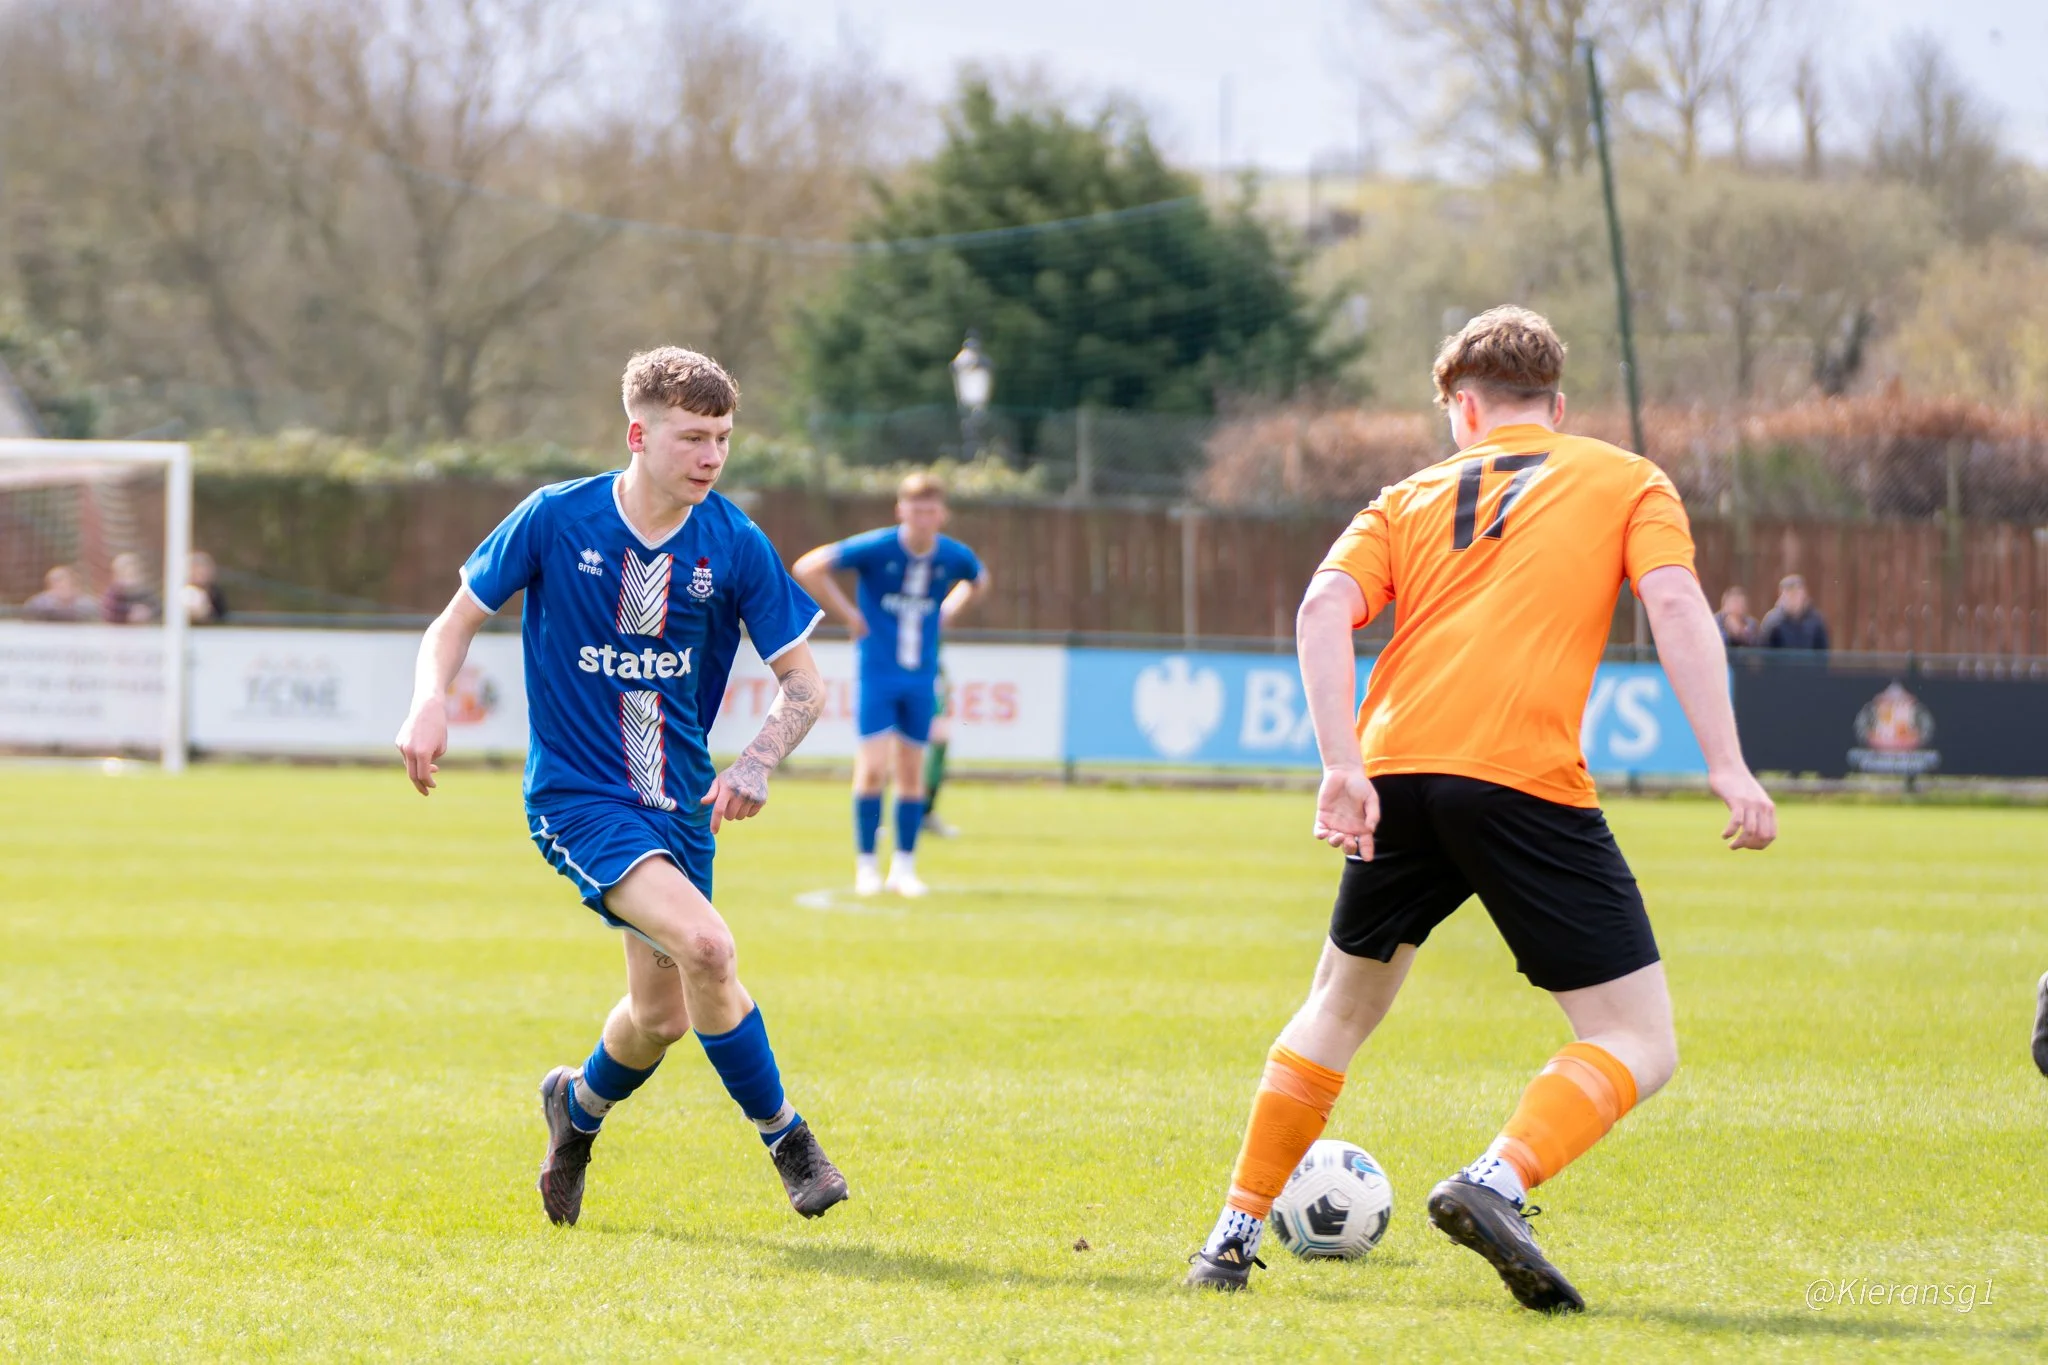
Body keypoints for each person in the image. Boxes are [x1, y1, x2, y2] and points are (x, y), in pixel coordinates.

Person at [1182, 307, 1776, 1312]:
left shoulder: (1403, 495)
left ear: (1462, 408)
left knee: (1338, 1003)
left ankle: (1229, 1237)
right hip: (1519, 776)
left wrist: (1339, 764)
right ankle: (1493, 1182)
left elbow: (1321, 608)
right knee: (1637, 1039)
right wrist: (1727, 764)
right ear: (1556, 405)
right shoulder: (1624, 478)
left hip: (1397, 769)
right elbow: (1673, 606)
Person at [394, 347, 848, 1229]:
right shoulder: (556, 519)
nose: (711, 456)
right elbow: (451, 625)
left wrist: (755, 760)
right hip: (580, 797)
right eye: (692, 437)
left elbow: (806, 685)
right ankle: (787, 1138)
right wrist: (428, 703)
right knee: (712, 948)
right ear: (640, 435)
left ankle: (576, 1107)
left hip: (678, 807)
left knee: (662, 1016)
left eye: (722, 438)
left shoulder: (735, 542)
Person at [792, 473, 986, 898]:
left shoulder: (951, 556)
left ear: (942, 514)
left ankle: (905, 867)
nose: (923, 517)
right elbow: (808, 566)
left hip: (922, 677)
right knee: (874, 769)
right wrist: (849, 616)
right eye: (915, 509)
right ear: (901, 510)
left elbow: (979, 578)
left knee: (913, 772)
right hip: (878, 673)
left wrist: (949, 610)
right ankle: (866, 866)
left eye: (931, 509)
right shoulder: (878, 548)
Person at [920, 666, 959, 838]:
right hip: (896, 670)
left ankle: (926, 812)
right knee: (891, 744)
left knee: (940, 739)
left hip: (929, 669)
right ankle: (876, 819)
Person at [1759, 574, 1828, 651]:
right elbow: (1764, 651)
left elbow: (1822, 652)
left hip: (1807, 663)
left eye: (1797, 593)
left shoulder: (1816, 620)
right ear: (1781, 595)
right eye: (1789, 593)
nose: (1793, 597)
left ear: (1804, 594)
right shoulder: (1772, 621)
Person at [101, 552, 159, 624]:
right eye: (126, 574)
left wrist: (148, 612)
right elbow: (110, 610)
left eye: (134, 573)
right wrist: (129, 611)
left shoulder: (145, 592)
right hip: (119, 631)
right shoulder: (114, 592)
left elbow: (158, 608)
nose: (130, 579)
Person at [23, 565, 98, 621]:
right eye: (55, 585)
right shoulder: (38, 605)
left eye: (65, 586)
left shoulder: (87, 605)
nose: (61, 590)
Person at [183, 550, 229, 623]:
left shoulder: (216, 594)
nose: (201, 573)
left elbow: (220, 616)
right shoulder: (174, 593)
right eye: (197, 569)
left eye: (204, 569)